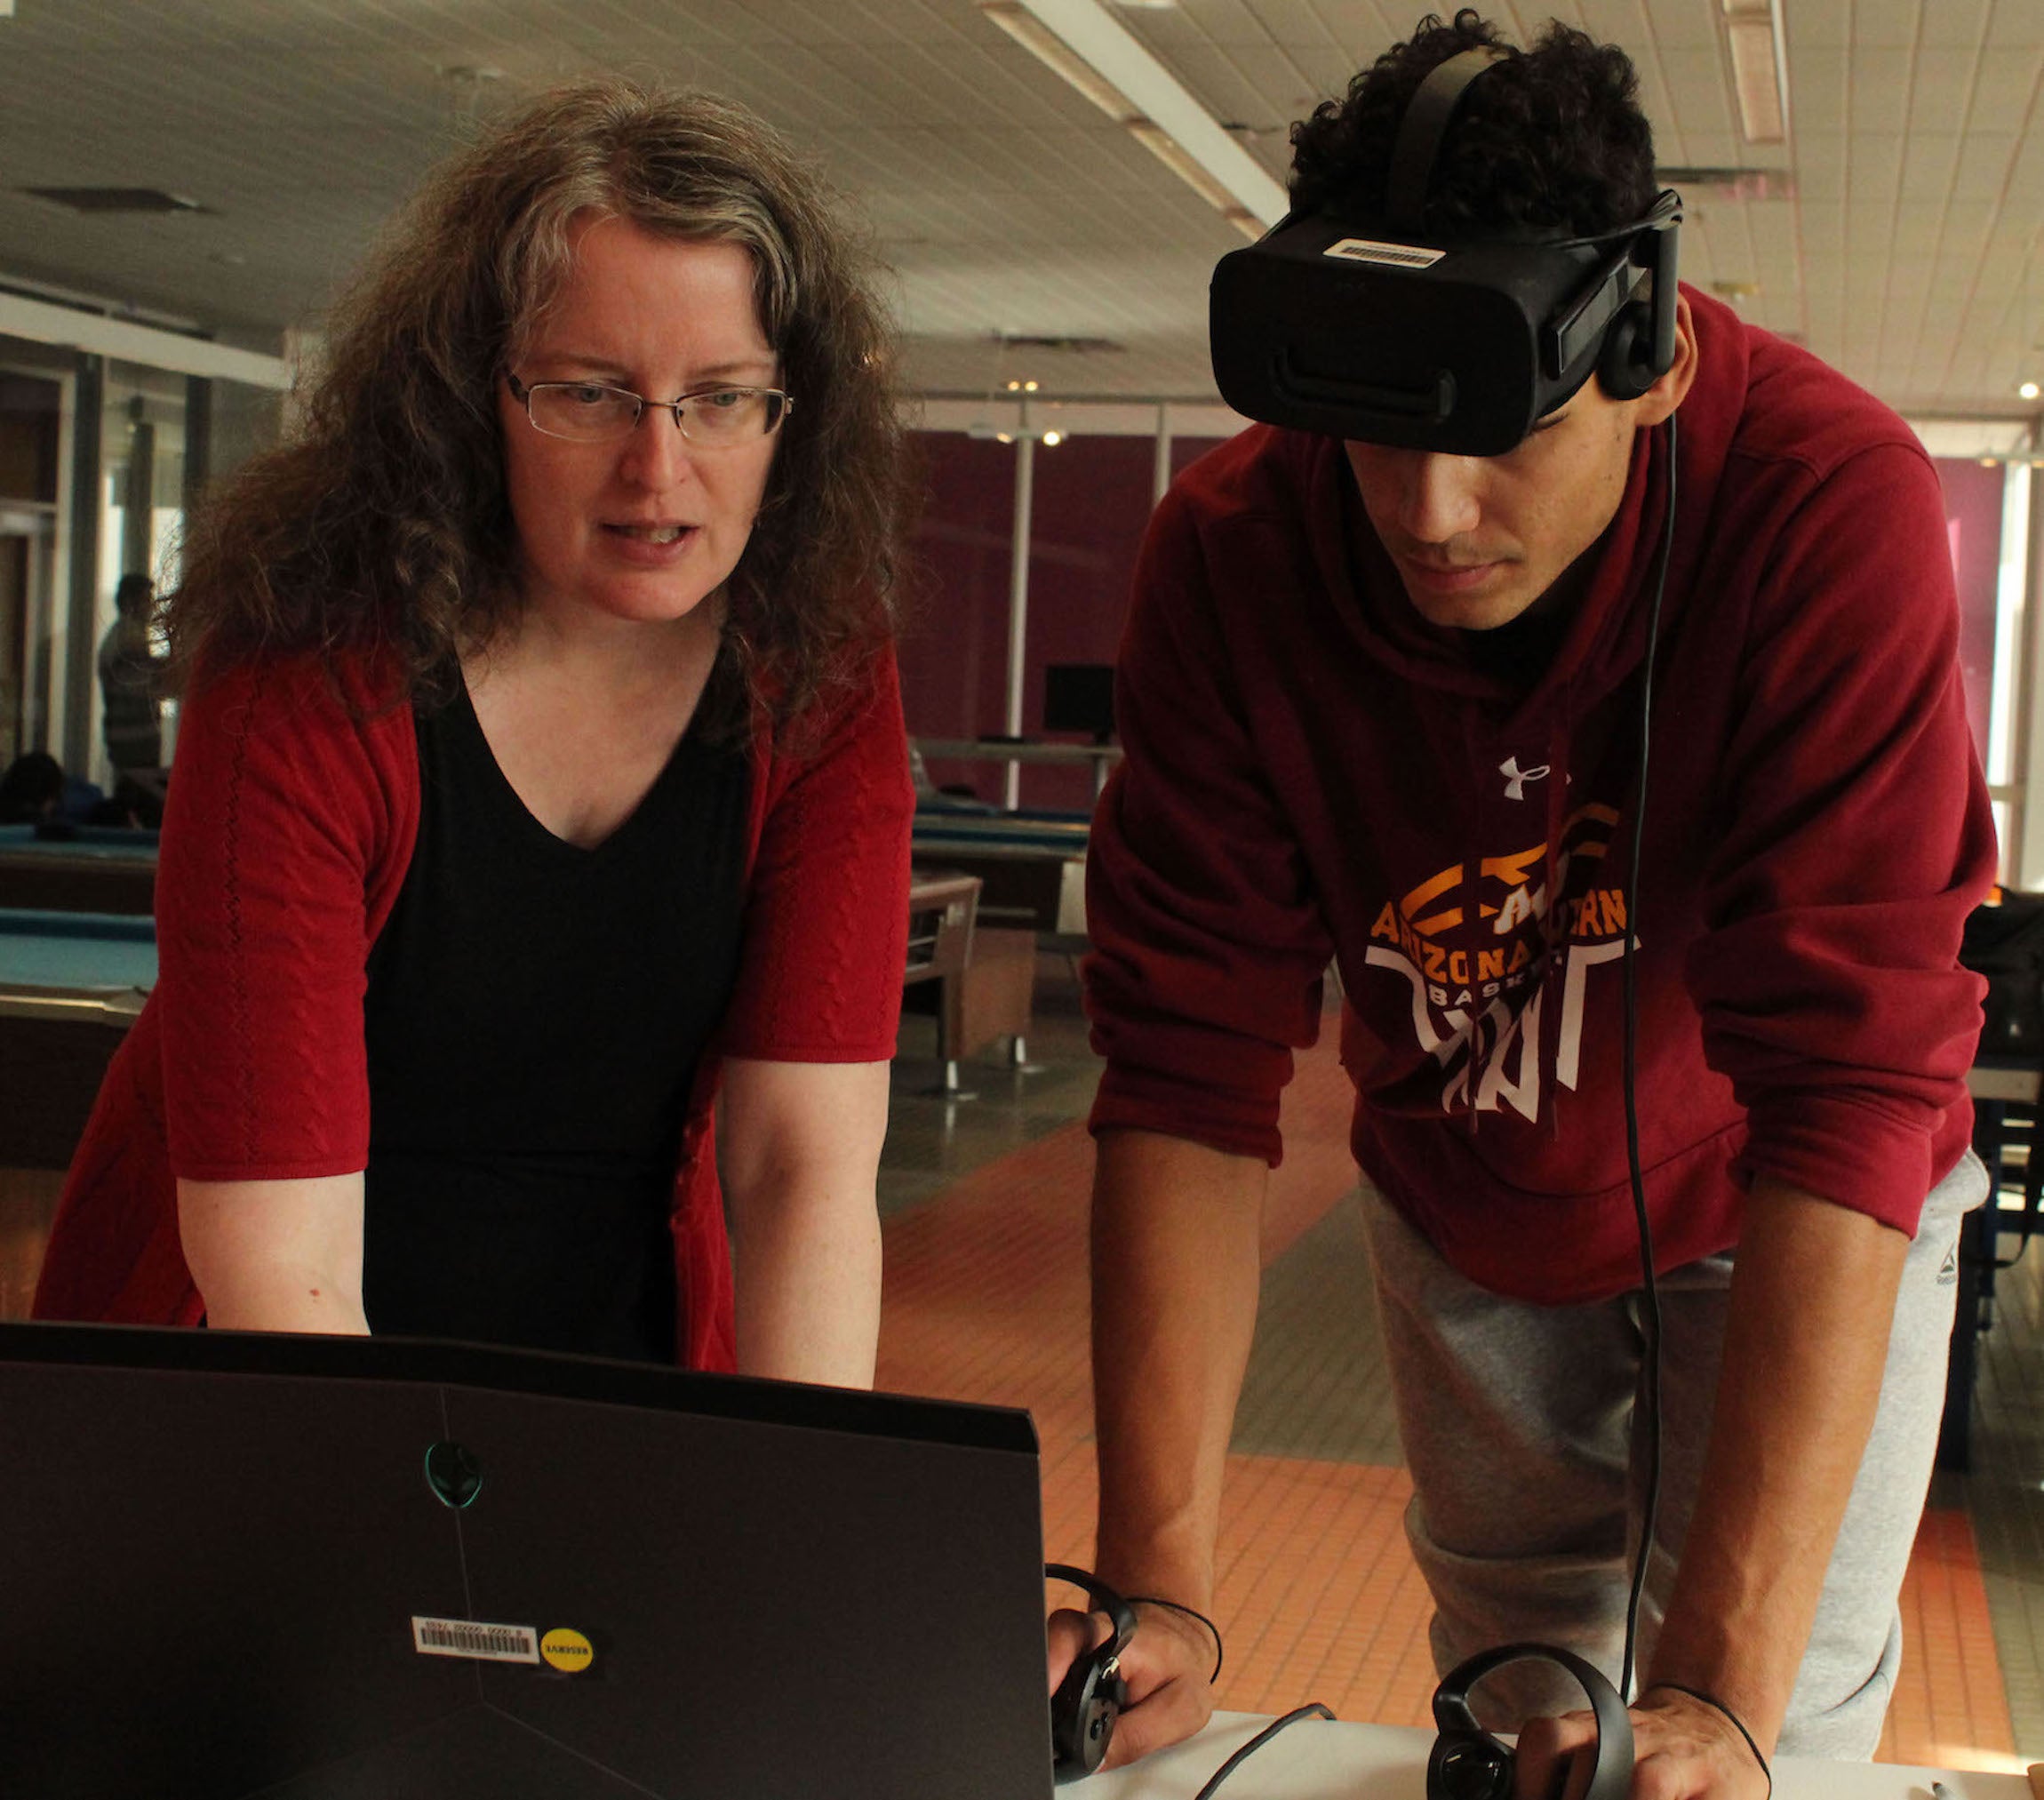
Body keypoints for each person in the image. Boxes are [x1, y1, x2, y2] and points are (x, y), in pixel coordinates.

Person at [1062, 12, 1993, 1797]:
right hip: (1467, 1184)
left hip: (1792, 1185)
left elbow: (1856, 1083)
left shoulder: (1825, 506)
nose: (1429, 508)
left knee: (1755, 1745)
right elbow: (1183, 1075)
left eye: (1507, 434)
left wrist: (1721, 1693)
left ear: (1639, 357)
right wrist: (1157, 1585)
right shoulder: (1231, 554)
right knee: (1512, 1716)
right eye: (1374, 433)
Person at [34, 80, 915, 1386]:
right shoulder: (307, 661)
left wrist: (799, 1515)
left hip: (627, 1355)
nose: (659, 467)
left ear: (793, 413)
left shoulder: (821, 672)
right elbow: (285, 1265)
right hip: (247, 1367)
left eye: (723, 397)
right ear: (468, 394)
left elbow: (802, 1174)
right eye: (589, 392)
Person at [97, 572, 166, 774]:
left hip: (126, 738)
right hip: (134, 740)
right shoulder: (129, 638)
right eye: (146, 600)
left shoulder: (119, 635)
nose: (152, 607)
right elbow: (150, 684)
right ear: (130, 603)